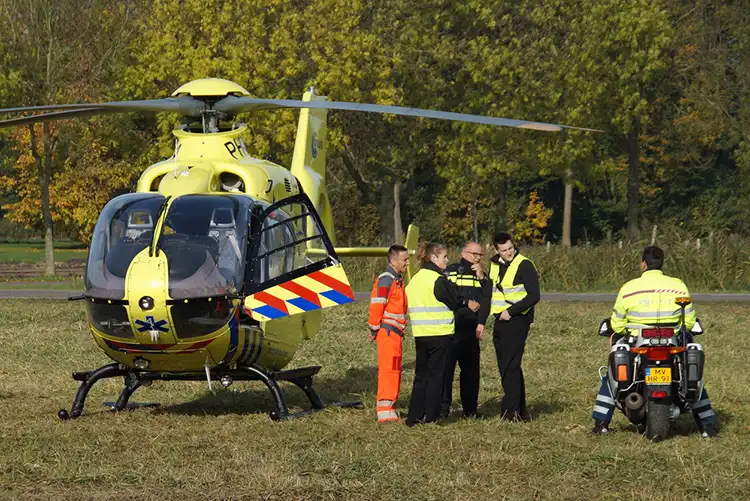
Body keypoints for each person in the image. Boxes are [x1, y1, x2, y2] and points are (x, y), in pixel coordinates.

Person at [591, 246, 718, 438]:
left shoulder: (629, 288)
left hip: (638, 343)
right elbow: (690, 321)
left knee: (611, 377)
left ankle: (601, 424)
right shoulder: (678, 286)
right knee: (693, 378)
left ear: (643, 264)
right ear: (662, 264)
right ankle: (707, 428)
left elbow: (617, 324)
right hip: (672, 343)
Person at [405, 242, 480, 426]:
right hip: (439, 333)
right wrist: (467, 302)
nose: (446, 260)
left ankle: (413, 417)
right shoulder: (437, 279)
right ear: (433, 258)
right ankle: (432, 416)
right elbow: (453, 299)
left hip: (420, 334)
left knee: (421, 376)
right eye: (444, 257)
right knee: (437, 377)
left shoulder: (415, 279)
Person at [489, 232, 540, 422]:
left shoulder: (524, 265)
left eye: (510, 248)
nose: (509, 252)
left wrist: (511, 312)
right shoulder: (494, 264)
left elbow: (534, 295)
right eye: (504, 250)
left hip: (517, 319)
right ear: (496, 250)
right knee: (507, 366)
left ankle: (510, 413)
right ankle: (520, 410)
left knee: (510, 366)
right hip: (500, 320)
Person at [440, 241, 491, 419]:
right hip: (453, 327)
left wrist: (482, 278)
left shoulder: (482, 276)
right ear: (463, 253)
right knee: (446, 370)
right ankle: (443, 410)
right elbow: (447, 294)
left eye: (480, 255)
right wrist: (464, 301)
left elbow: (487, 299)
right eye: (473, 254)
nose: (476, 258)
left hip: (471, 329)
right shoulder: (452, 271)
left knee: (471, 372)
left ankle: (470, 411)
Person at [367, 245, 410, 423]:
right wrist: (374, 328)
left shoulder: (396, 279)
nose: (408, 263)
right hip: (388, 333)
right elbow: (377, 304)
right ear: (394, 261)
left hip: (394, 333)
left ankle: (389, 407)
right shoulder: (387, 279)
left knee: (394, 369)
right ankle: (385, 411)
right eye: (404, 260)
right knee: (389, 370)